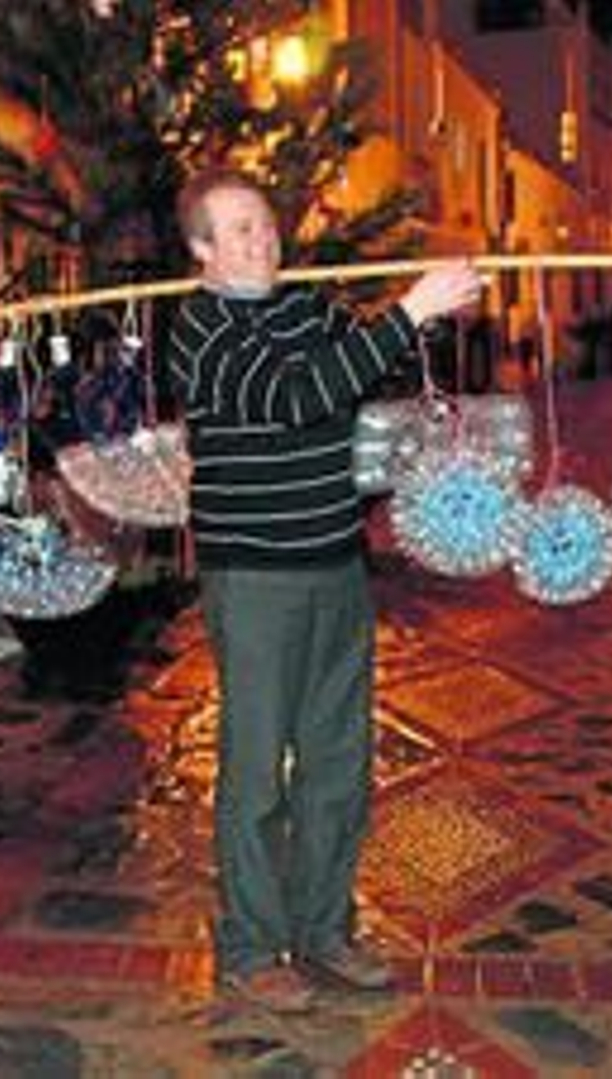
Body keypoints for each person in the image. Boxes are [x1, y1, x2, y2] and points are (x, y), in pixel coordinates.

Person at [167, 169, 481, 1013]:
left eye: (265, 224)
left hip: (336, 562)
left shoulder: (306, 308)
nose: (262, 240)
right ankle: (248, 947)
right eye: (240, 229)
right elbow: (299, 397)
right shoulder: (198, 328)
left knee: (339, 763)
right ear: (200, 248)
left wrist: (431, 316)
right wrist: (408, 311)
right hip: (255, 578)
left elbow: (370, 369)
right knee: (255, 773)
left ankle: (323, 930)